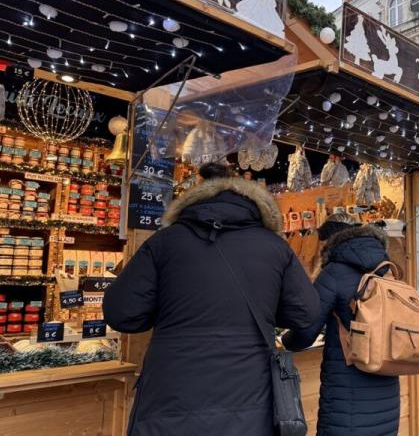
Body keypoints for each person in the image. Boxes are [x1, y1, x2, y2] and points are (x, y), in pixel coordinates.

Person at [103, 168, 320, 436]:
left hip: (170, 393)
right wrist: (268, 309)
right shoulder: (275, 247)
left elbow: (121, 313)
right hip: (250, 397)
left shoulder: (164, 242)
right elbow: (306, 313)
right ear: (258, 208)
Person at [282, 212, 400, 436]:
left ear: (331, 241)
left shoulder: (333, 273)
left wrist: (285, 340)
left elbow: (306, 331)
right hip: (387, 393)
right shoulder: (387, 271)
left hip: (347, 400)